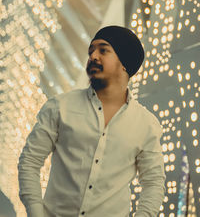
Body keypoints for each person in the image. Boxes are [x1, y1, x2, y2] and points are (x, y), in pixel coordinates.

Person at [18, 25, 165, 217]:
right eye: (91, 51)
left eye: (103, 50)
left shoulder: (146, 125)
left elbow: (153, 183)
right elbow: (29, 162)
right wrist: (36, 213)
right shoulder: (60, 107)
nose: (93, 56)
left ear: (124, 63)